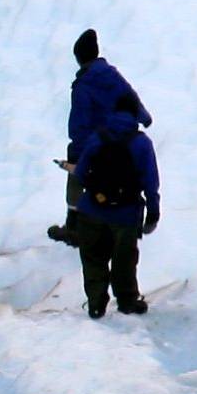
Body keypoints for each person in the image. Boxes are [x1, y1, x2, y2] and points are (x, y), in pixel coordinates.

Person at [52, 29, 149, 241]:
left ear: (79, 58)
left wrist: (76, 152)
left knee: (77, 181)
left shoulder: (82, 86)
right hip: (121, 138)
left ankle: (74, 226)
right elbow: (129, 95)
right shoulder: (111, 74)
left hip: (95, 143)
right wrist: (144, 117)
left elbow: (80, 122)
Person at [62, 115, 158, 317]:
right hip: (126, 214)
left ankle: (96, 303)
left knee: (93, 257)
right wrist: (153, 211)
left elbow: (81, 173)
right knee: (124, 258)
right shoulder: (141, 143)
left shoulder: (97, 137)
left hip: (92, 209)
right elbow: (150, 180)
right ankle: (127, 302)